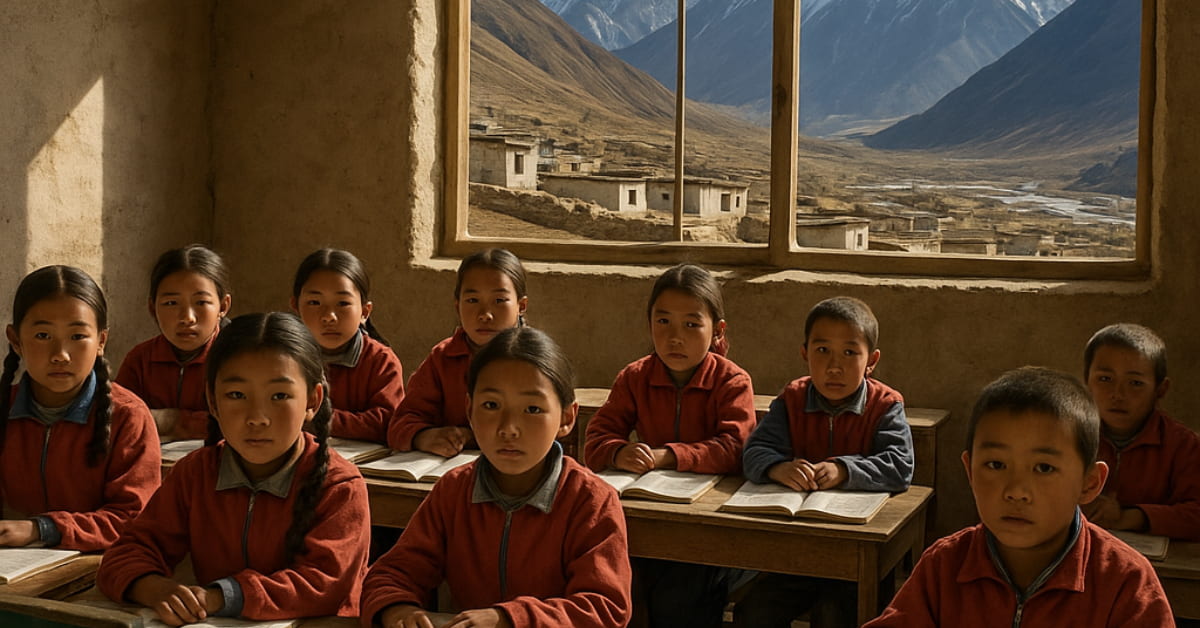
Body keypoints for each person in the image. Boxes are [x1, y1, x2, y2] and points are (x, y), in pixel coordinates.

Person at [97, 312, 371, 625]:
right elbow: (127, 552)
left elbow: (324, 585)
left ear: (312, 401)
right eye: (237, 395)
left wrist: (221, 597)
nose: (257, 417)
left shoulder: (340, 487)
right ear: (212, 402)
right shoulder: (195, 474)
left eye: (279, 396)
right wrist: (152, 587)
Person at [362, 327, 631, 628]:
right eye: (491, 405)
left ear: (567, 418)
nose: (508, 428)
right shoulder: (454, 491)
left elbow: (604, 608)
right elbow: (393, 573)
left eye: (532, 409)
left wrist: (508, 619)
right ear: (469, 410)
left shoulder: (590, 500)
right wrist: (398, 610)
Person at [865, 367, 1173, 627]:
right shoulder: (945, 566)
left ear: (1089, 484)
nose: (1016, 491)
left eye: (1043, 468)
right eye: (996, 465)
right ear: (970, 472)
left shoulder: (1125, 582)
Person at [584, 263, 756, 628]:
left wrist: (667, 455)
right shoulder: (635, 377)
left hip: (710, 528)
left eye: (692, 324)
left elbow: (735, 447)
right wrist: (618, 450)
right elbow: (597, 437)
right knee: (622, 583)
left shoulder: (732, 381)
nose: (676, 337)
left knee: (681, 597)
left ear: (717, 330)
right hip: (648, 518)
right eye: (663, 322)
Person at [737, 296, 913, 628]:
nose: (834, 366)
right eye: (822, 351)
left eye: (850, 353)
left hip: (857, 560)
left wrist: (844, 470)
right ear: (804, 353)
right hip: (797, 555)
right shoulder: (792, 399)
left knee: (834, 617)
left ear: (871, 360)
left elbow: (899, 465)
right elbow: (754, 452)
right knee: (755, 613)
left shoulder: (885, 405)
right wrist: (778, 467)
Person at [0, 265, 160, 551]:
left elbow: (133, 518)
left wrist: (43, 529)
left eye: (77, 337)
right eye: (42, 336)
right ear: (15, 341)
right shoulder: (3, 408)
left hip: (96, 574)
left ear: (101, 341)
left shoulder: (128, 416)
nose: (60, 355)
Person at [387, 248, 528, 456]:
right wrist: (423, 436)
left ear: (521, 306)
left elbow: (546, 428)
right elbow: (401, 423)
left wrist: (470, 436)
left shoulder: (534, 361)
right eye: (472, 301)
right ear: (457, 306)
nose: (485, 315)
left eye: (499, 301)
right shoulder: (443, 358)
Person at [1081, 323, 1200, 540]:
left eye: (1135, 383)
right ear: (1086, 382)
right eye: (1105, 379)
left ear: (1160, 390)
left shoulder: (1183, 446)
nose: (1118, 394)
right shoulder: (1068, 435)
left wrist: (1130, 518)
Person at [117, 244, 232, 440]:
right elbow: (118, 421)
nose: (187, 318)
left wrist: (172, 421)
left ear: (223, 306)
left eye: (201, 302)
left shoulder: (236, 359)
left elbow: (238, 423)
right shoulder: (141, 361)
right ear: (153, 309)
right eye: (171, 303)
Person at [291, 248, 404, 443]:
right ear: (295, 307)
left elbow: (387, 422)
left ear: (364, 312)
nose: (329, 317)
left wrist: (316, 419)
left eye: (343, 303)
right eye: (314, 302)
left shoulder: (381, 361)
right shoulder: (285, 358)